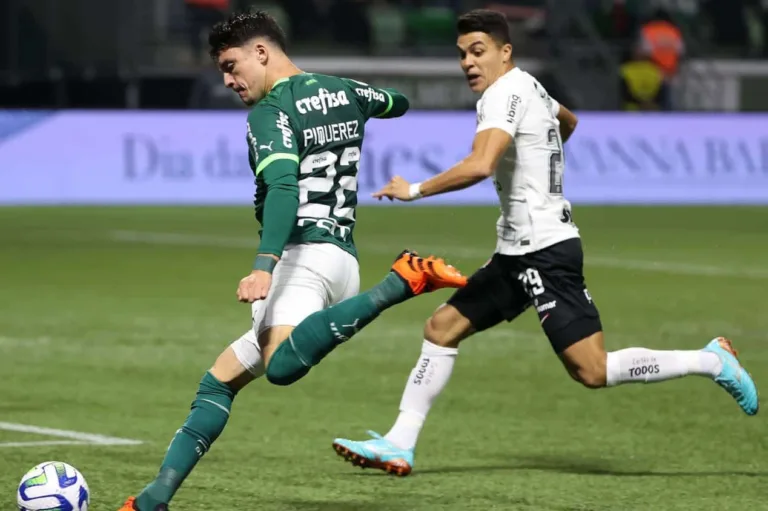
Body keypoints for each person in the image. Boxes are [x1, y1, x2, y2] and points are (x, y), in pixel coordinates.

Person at [331, 8, 759, 477]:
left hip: (545, 251)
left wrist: (413, 190)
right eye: (462, 54)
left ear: (504, 52)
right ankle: (399, 443)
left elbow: (480, 165)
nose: (468, 62)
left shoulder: (502, 95)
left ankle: (710, 360)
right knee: (442, 328)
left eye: (478, 51)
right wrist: (539, 160)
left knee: (592, 370)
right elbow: (567, 122)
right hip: (516, 252)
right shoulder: (530, 86)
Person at [118, 9, 468, 510]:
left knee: (280, 367)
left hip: (303, 260)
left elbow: (283, 186)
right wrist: (352, 101)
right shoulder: (344, 90)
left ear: (261, 52)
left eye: (232, 65)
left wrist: (263, 265)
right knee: (219, 380)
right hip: (342, 262)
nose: (228, 80)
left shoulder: (269, 112)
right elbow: (398, 102)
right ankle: (152, 500)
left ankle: (401, 281)